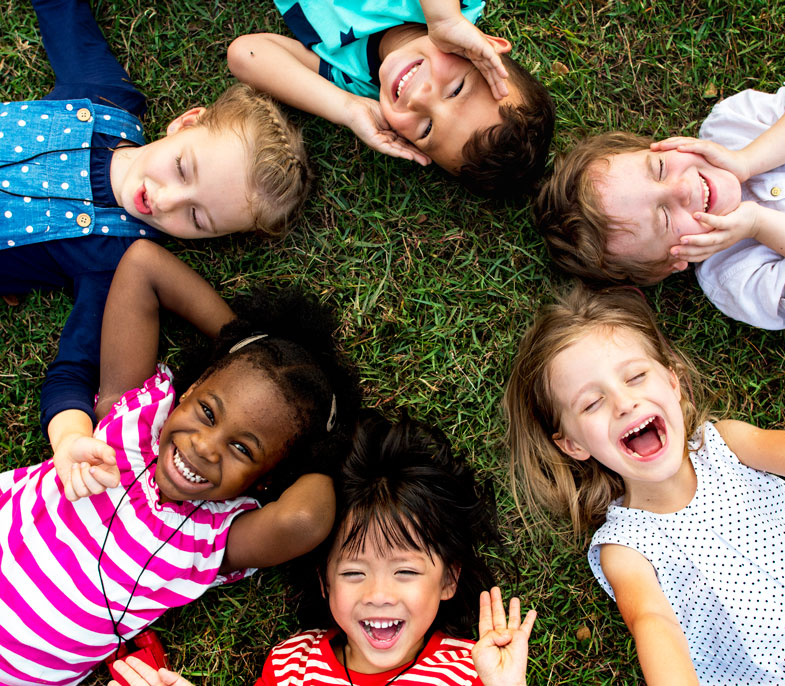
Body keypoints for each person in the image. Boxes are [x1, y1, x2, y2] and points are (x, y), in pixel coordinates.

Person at [0, 239, 360, 686]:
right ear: (188, 392)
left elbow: (306, 518)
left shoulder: (211, 540)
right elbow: (143, 266)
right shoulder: (131, 420)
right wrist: (247, 347)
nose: (206, 447)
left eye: (243, 449)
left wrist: (329, 447)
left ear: (265, 481)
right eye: (207, 412)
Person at [2, 0, 310, 459]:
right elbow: (65, 18)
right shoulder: (104, 97)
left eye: (196, 218)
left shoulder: (113, 262)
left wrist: (69, 438)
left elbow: (74, 370)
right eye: (183, 168)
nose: (166, 200)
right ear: (187, 122)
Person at [504, 285, 785, 684]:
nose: (624, 403)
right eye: (592, 403)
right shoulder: (625, 548)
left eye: (637, 376)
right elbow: (654, 624)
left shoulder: (727, 444)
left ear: (673, 383)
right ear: (573, 444)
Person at [109, 412, 537, 686]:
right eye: (354, 572)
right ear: (324, 581)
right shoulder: (292, 664)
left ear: (448, 579)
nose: (378, 594)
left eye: (405, 571)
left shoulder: (474, 670)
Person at [537, 70, 785, 329]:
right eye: (663, 217)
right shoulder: (735, 278)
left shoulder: (732, 124)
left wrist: (748, 159)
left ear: (662, 145)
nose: (682, 189)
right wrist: (759, 224)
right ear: (673, 263)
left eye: (660, 168)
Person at [227, 0, 554, 198]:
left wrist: (348, 108)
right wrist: (444, 20)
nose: (420, 99)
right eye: (455, 90)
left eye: (426, 129)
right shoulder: (455, 10)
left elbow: (246, 55)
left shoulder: (351, 81)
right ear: (485, 47)